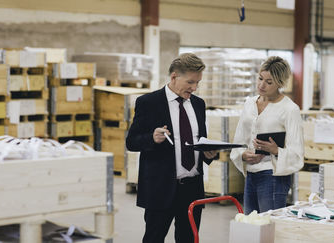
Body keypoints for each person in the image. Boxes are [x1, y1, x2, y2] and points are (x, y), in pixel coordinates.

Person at [126, 53, 218, 243]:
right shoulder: (149, 103)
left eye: (198, 83)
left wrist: (209, 154)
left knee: (188, 239)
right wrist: (152, 138)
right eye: (191, 82)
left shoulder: (199, 105)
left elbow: (199, 140)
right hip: (161, 188)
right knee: (154, 238)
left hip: (192, 188)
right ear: (174, 77)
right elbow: (132, 141)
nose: (194, 88)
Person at [230, 56, 304, 214]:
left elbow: (297, 152)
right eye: (260, 79)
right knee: (252, 224)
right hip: (250, 174)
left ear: (280, 83)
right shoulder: (249, 103)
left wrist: (276, 150)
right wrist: (243, 154)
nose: (262, 85)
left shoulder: (289, 109)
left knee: (270, 226)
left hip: (273, 176)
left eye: (269, 82)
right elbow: (239, 139)